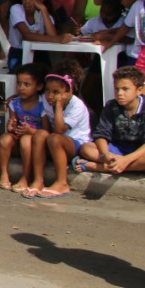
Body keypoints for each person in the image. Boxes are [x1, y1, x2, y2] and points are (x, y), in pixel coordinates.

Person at [22, 63, 91, 198]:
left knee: (54, 138)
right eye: (48, 91)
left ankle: (62, 183)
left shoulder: (77, 106)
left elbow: (59, 130)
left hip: (76, 145)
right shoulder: (46, 101)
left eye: (56, 92)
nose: (50, 96)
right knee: (41, 134)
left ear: (68, 92)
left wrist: (59, 105)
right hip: (55, 143)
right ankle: (38, 180)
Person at [74, 66, 145, 177]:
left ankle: (100, 168)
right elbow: (101, 134)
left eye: (125, 89)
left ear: (139, 90)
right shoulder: (111, 106)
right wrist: (106, 155)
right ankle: (135, 168)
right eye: (116, 89)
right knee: (86, 148)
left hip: (138, 152)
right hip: (115, 150)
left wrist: (126, 160)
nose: (119, 93)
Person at [0, 62, 48, 192]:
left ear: (39, 86)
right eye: (19, 83)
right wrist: (11, 127)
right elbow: (12, 125)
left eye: (27, 84)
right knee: (4, 139)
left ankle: (25, 177)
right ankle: (4, 174)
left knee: (26, 140)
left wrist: (31, 131)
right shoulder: (15, 103)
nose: (21, 88)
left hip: (35, 146)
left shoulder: (43, 105)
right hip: (18, 141)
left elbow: (47, 131)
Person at [8, 0, 70, 69]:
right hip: (19, 52)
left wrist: (44, 10)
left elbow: (52, 35)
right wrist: (57, 39)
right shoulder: (16, 9)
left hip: (39, 52)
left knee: (46, 76)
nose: (27, 1)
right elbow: (27, 35)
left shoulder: (44, 13)